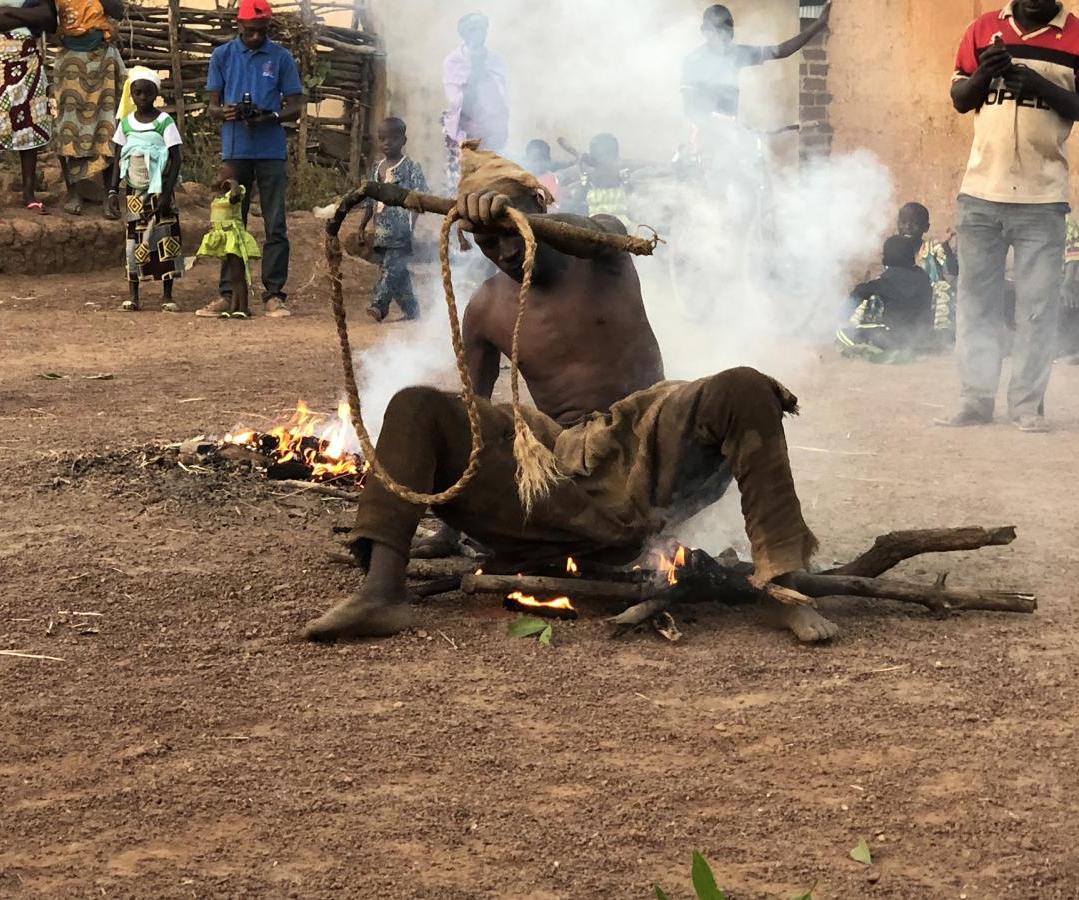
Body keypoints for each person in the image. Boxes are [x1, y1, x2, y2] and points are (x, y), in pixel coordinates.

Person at [304, 147, 837, 646]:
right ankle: (381, 592)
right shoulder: (486, 307)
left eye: (513, 228)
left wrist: (530, 224)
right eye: (488, 241)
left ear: (539, 207)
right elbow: (472, 422)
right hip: (560, 470)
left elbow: (590, 232)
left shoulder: (602, 250)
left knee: (743, 385)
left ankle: (781, 585)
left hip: (652, 442)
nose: (506, 251)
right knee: (415, 406)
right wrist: (449, 527)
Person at [941, 0, 1079, 433]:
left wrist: (1040, 85)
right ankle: (975, 401)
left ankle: (1026, 405)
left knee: (1037, 308)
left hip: (1043, 197)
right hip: (981, 192)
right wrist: (985, 72)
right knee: (976, 304)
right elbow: (961, 99)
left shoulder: (1075, 35)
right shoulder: (983, 29)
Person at [198, 0, 303, 320]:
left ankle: (274, 294)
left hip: (271, 150)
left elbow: (295, 106)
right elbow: (212, 107)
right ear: (238, 27)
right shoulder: (222, 56)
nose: (256, 37)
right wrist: (225, 112)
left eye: (261, 31)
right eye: (250, 32)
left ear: (268, 28)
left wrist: (270, 116)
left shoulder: (282, 57)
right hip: (235, 150)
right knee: (231, 224)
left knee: (276, 224)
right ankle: (228, 294)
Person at [682, 3, 832, 125]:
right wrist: (712, 123)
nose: (724, 40)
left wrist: (818, 25)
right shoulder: (694, 61)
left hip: (731, 134)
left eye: (728, 34)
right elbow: (690, 109)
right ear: (704, 31)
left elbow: (781, 51)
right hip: (705, 137)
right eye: (719, 33)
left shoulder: (735, 53)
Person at [0, 0, 55, 217]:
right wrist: (28, 14)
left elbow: (49, 18)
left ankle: (29, 193)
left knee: (30, 122)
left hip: (29, 58)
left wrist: (8, 11)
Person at [112, 66, 183, 312]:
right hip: (134, 192)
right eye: (138, 93)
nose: (142, 98)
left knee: (165, 239)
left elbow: (176, 158)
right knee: (134, 241)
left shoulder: (165, 122)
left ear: (156, 95)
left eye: (147, 93)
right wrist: (113, 190)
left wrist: (166, 193)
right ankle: (133, 295)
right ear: (131, 95)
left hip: (161, 191)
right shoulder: (125, 123)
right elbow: (118, 156)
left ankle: (167, 295)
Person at [53, 0, 123, 218]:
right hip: (70, 59)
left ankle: (109, 194)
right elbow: (45, 19)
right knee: (68, 128)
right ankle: (73, 192)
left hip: (102, 57)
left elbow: (118, 11)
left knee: (108, 125)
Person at [355, 117, 428, 323]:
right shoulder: (376, 169)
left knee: (391, 270)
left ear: (403, 141)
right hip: (381, 232)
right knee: (398, 273)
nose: (387, 143)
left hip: (400, 231)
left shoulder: (411, 168)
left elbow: (419, 199)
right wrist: (362, 225)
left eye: (392, 139)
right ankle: (412, 310)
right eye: (382, 139)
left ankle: (379, 305)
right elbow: (369, 200)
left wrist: (411, 225)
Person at [442, 12, 509, 193]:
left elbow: (501, 97)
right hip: (465, 131)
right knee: (461, 186)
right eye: (472, 29)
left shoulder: (494, 61)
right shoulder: (454, 61)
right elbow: (458, 100)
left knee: (492, 184)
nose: (478, 33)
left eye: (482, 28)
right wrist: (476, 64)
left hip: (491, 132)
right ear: (463, 34)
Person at [837, 235, 934, 356]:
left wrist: (844, 314)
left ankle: (866, 351)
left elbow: (860, 291)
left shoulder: (887, 280)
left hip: (892, 337)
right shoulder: (923, 276)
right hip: (922, 336)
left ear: (887, 257)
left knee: (843, 333)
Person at [196, 165, 260, 319]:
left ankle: (244, 307)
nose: (217, 175)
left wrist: (233, 183)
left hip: (234, 238)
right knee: (232, 275)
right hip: (225, 239)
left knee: (238, 274)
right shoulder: (219, 196)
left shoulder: (236, 193)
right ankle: (233, 307)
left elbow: (236, 196)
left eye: (221, 173)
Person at [897, 202, 958, 348]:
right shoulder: (894, 250)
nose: (908, 227)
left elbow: (953, 270)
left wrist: (946, 247)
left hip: (930, 299)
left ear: (926, 227)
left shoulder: (933, 247)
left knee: (942, 288)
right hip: (905, 299)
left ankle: (942, 334)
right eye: (903, 222)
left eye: (915, 223)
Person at [1057, 213, 1079, 364]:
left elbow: (1073, 254)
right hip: (1043, 279)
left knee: (1068, 298)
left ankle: (1069, 348)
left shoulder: (1067, 221)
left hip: (1064, 279)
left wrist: (1067, 282)